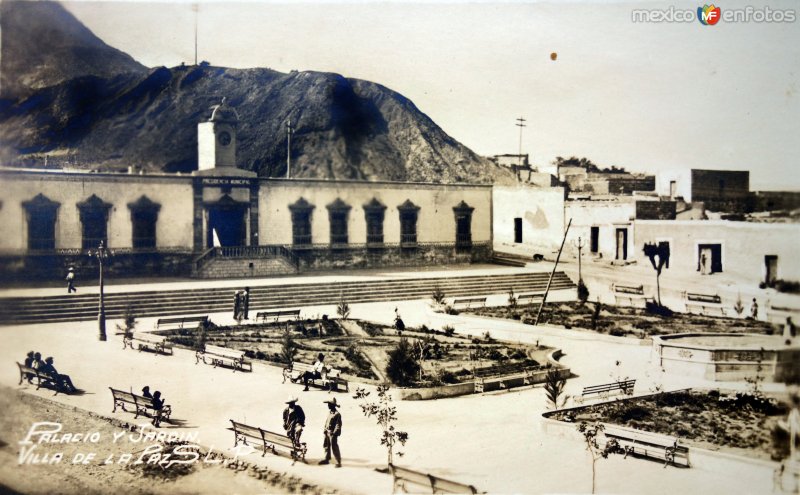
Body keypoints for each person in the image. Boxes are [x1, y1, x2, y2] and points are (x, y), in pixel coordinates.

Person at [319, 397, 342, 467]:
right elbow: (327, 422)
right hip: (327, 432)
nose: (328, 405)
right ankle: (327, 459)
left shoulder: (337, 414)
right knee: (326, 445)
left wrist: (334, 433)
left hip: (332, 433)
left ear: (332, 405)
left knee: (334, 446)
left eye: (329, 404)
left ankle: (338, 462)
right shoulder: (330, 412)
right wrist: (325, 429)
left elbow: (338, 425)